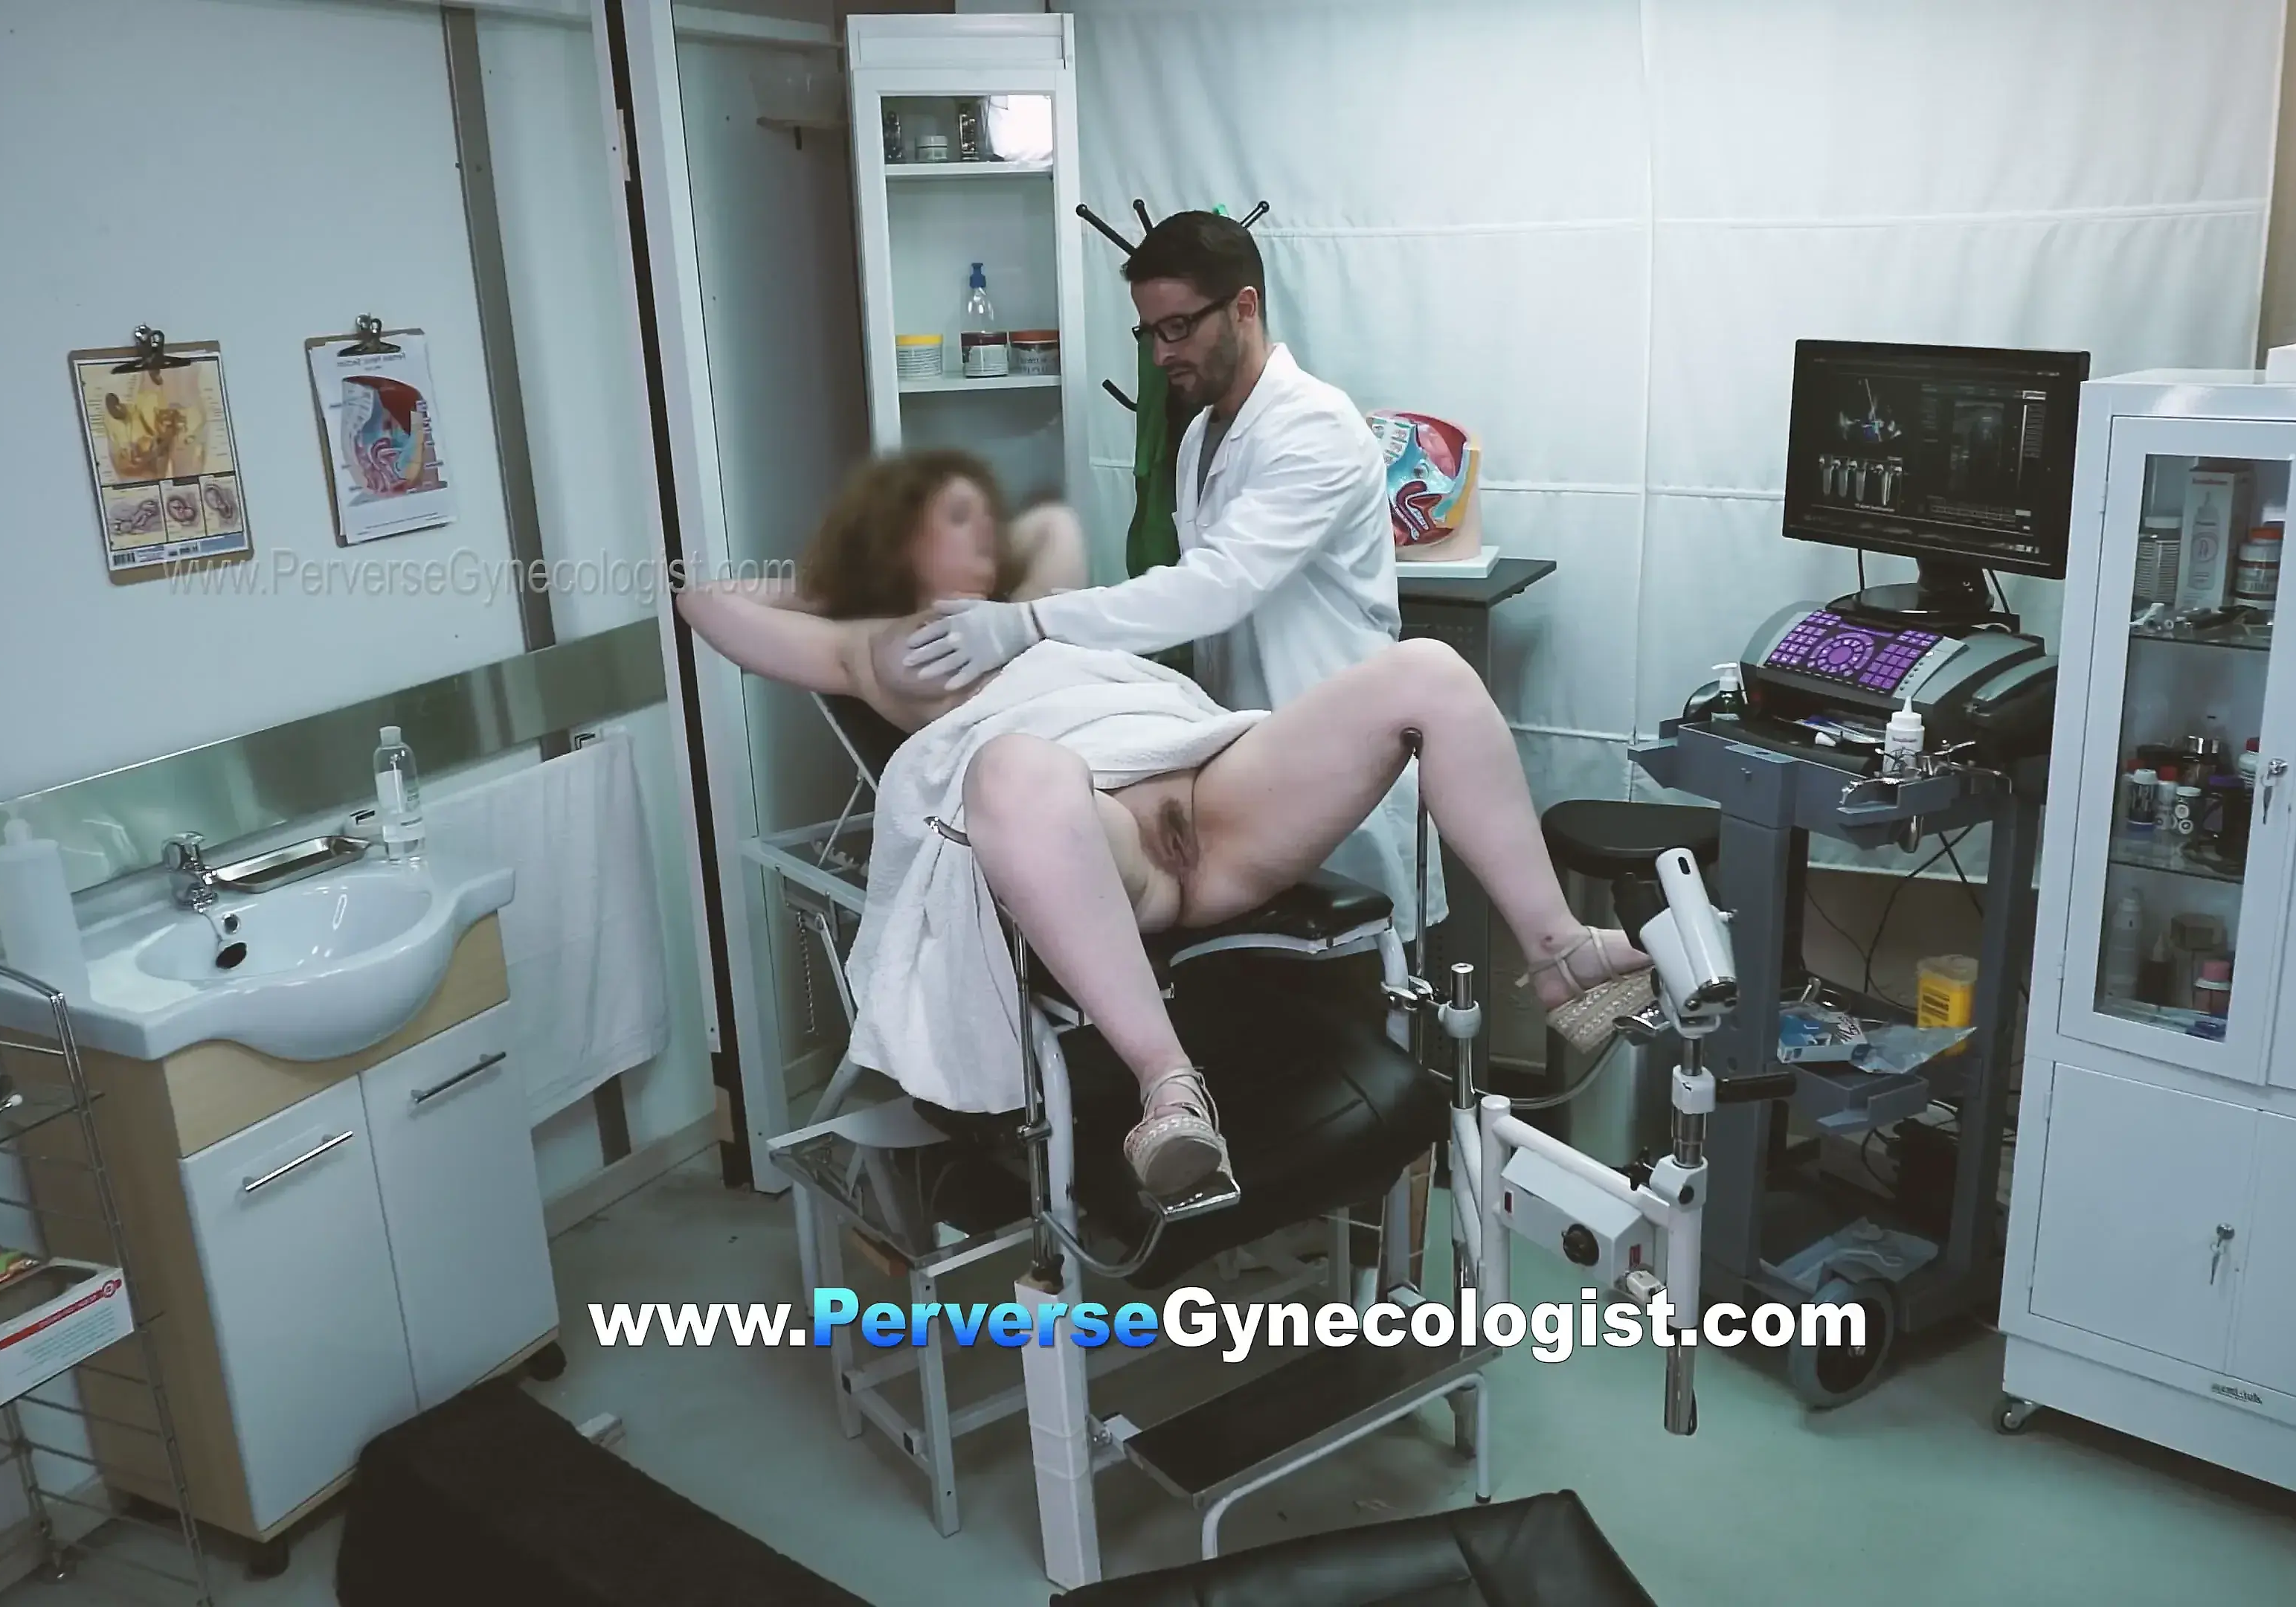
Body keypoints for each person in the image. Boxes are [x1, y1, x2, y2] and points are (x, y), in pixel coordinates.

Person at [678, 449, 1650, 1202]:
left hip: (1216, 784)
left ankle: (1559, 953)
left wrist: (998, 599)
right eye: (934, 519)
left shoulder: (1031, 605)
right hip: (1095, 836)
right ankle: (1170, 1090)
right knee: (1009, 767)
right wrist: (843, 584)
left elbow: (1049, 530)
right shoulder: (870, 651)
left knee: (1428, 673)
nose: (964, 531)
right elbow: (705, 603)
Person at [896, 211, 1440, 938]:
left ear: (1244, 306)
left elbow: (1214, 589)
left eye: (1178, 328)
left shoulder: (1315, 426)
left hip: (1336, 759)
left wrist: (1031, 622)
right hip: (1243, 769)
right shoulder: (1199, 439)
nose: (1160, 355)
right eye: (1150, 332)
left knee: (1366, 971)